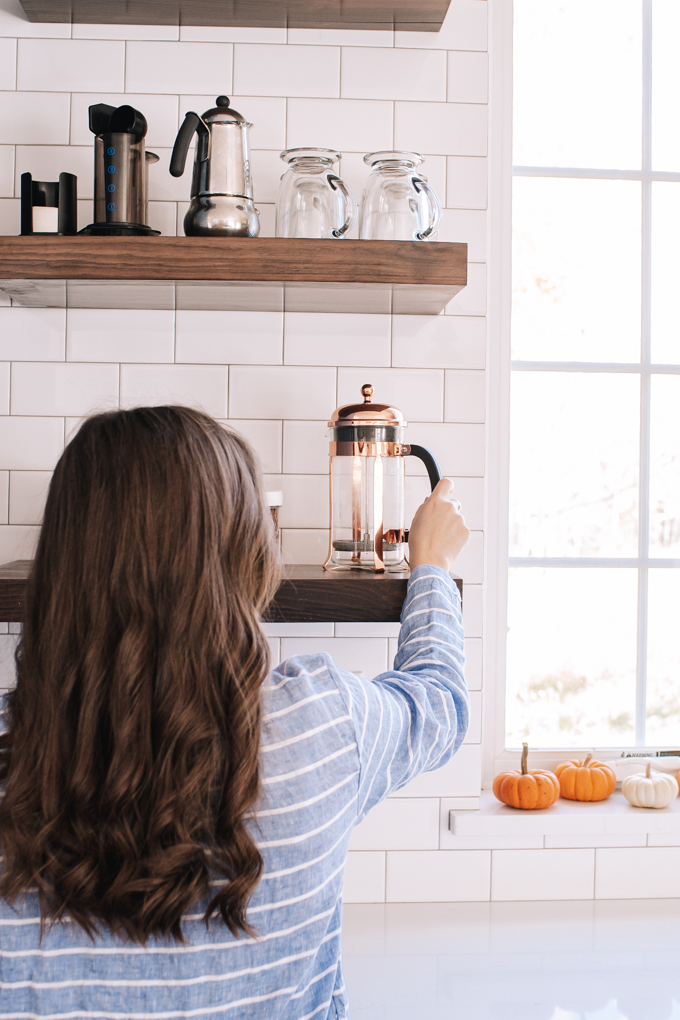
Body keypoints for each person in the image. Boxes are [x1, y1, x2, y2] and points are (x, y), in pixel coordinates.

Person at [0, 405, 470, 1020]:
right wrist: (430, 568)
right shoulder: (324, 725)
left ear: (63, 563)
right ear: (245, 557)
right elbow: (436, 701)